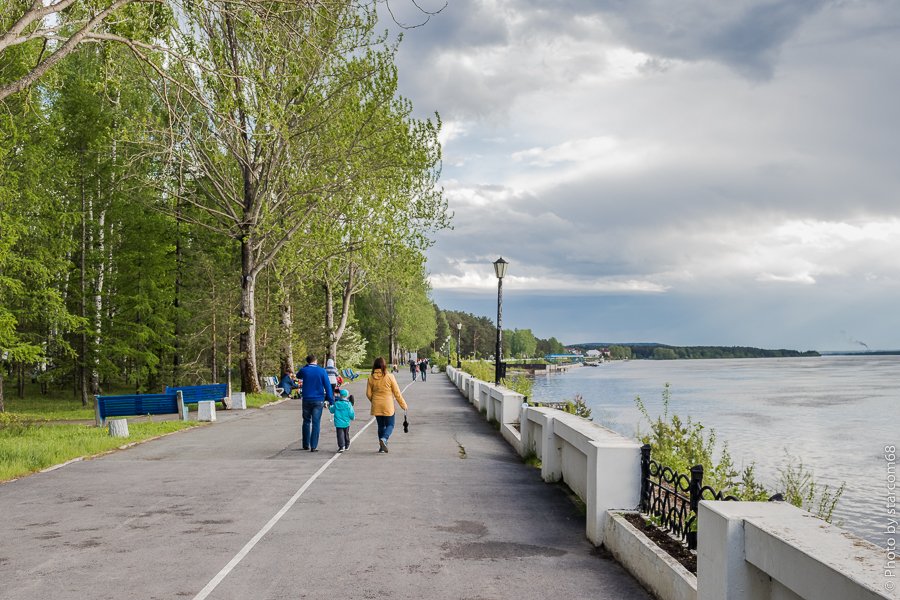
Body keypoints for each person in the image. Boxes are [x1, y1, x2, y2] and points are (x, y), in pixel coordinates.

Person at [366, 357, 407, 453]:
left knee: (380, 426)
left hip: (377, 405)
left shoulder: (371, 378)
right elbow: (397, 393)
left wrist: (375, 401)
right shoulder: (390, 377)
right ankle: (384, 438)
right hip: (388, 405)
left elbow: (368, 393)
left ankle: (381, 447)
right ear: (384, 365)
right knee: (390, 424)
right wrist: (403, 405)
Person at [296, 354, 334, 452]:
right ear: (316, 361)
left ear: (307, 362)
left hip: (306, 399)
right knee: (316, 422)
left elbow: (297, 376)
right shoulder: (322, 371)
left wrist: (306, 366)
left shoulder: (304, 370)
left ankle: (306, 444)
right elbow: (327, 386)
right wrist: (330, 400)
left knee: (306, 421)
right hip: (318, 399)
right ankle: (314, 446)